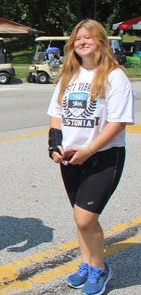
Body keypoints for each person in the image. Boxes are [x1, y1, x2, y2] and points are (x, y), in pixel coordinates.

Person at [47, 19, 135, 295]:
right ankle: (86, 264)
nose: (82, 42)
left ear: (100, 42)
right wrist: (54, 144)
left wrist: (90, 150)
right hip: (71, 157)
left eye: (88, 37)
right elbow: (56, 114)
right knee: (79, 217)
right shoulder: (68, 76)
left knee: (85, 218)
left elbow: (118, 123)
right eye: (77, 38)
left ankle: (99, 269)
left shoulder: (114, 76)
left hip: (102, 157)